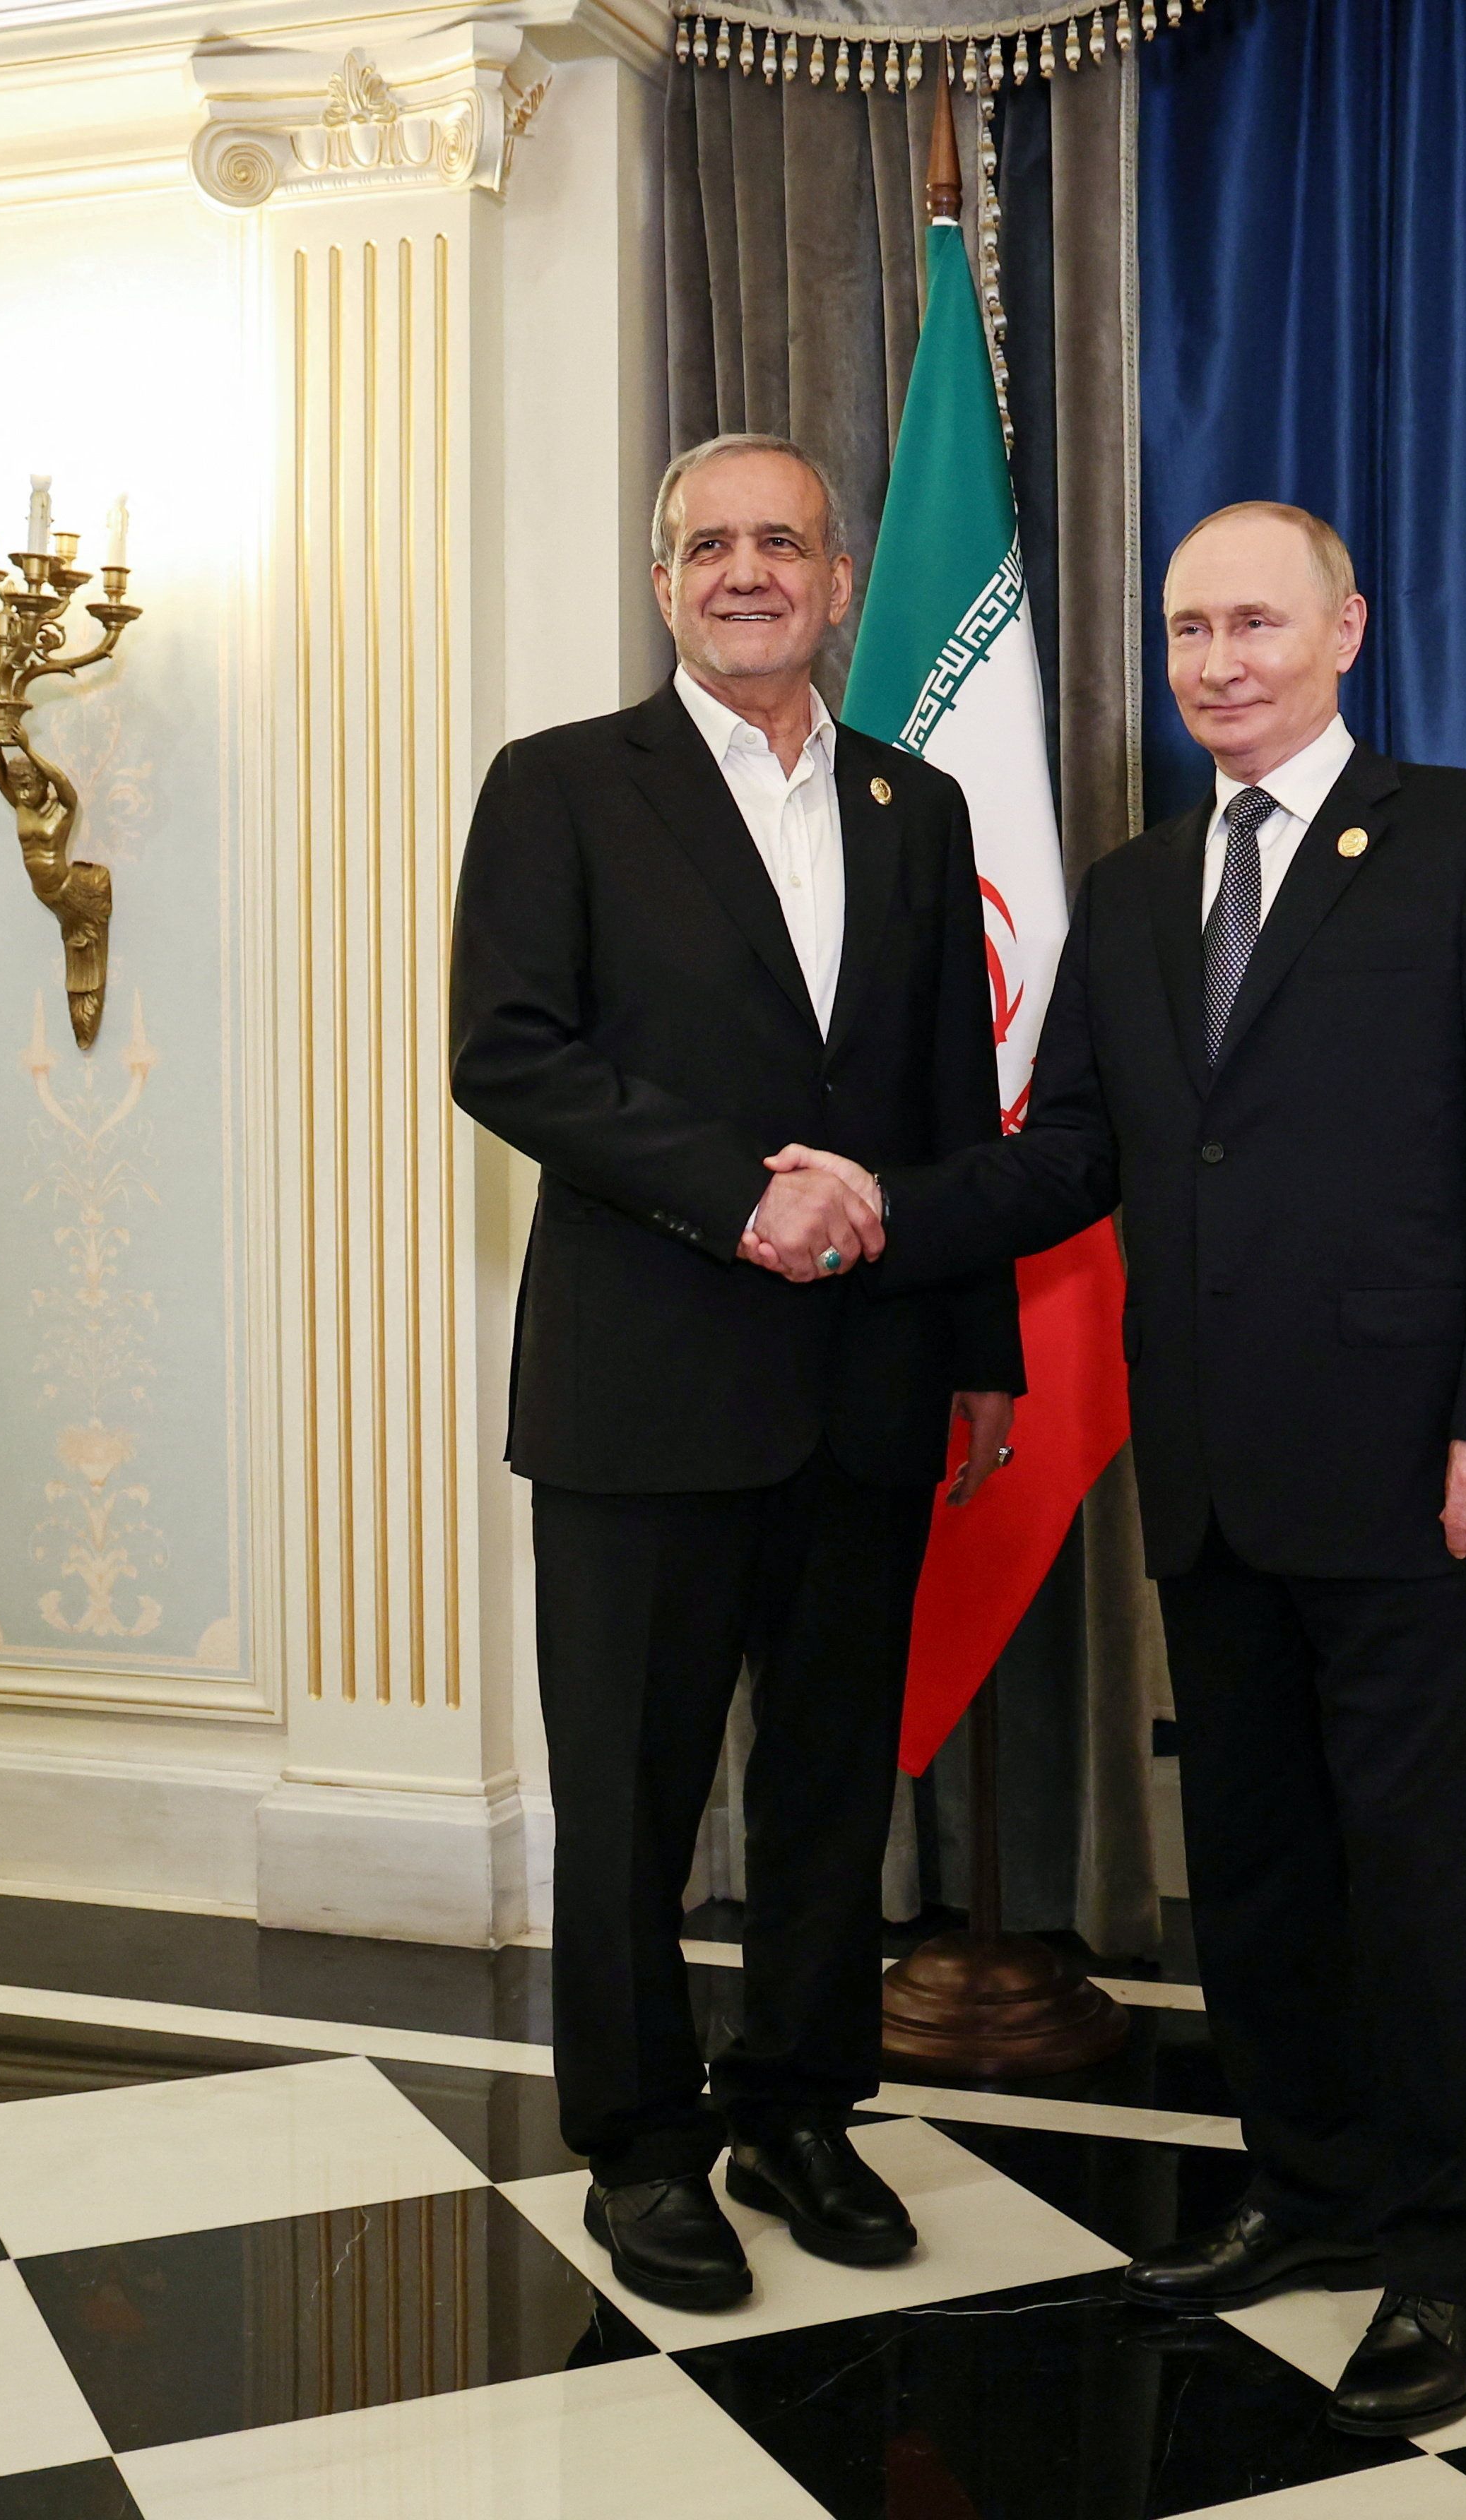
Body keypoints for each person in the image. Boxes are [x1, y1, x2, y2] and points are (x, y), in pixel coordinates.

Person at [758, 501, 1466, 2434]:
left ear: (1343, 632)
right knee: (1261, 1871)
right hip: (1212, 1476)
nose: (1214, 660)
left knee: (1420, 1880)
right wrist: (885, 1199)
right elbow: (1064, 1158)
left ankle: (1446, 2260)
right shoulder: (1139, 895)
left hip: (1414, 1469)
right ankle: (1309, 2195)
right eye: (1183, 629)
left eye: (1251, 622)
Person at [447, 433, 1023, 2313]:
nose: (747, 569)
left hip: (867, 1385)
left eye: (781, 541)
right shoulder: (557, 791)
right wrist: (733, 1198)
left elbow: (951, 1099)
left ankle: (796, 2105)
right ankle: (637, 2145)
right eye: (710, 544)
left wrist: (982, 1348)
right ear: (662, 580)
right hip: (643, 1385)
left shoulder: (912, 807)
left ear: (840, 580)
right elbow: (506, 1053)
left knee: (827, 1791)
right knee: (628, 1795)